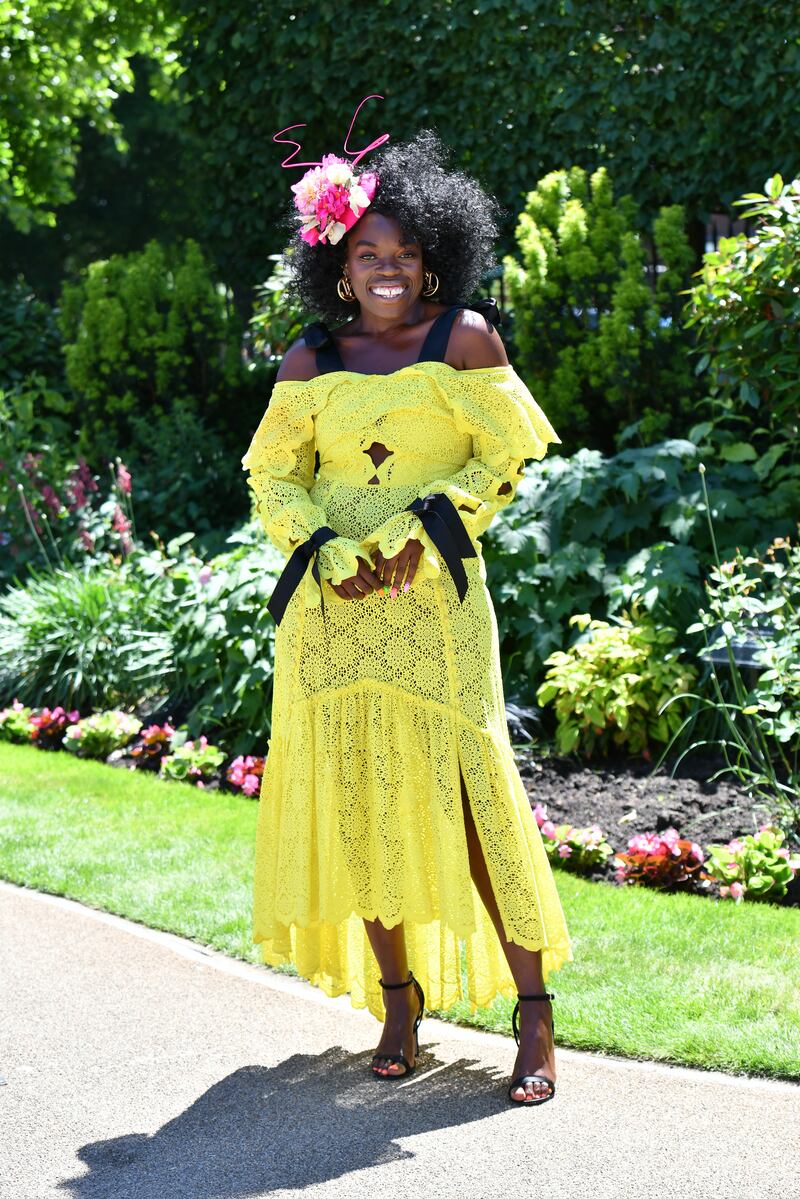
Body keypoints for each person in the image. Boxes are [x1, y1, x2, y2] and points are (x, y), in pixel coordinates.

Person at [242, 100, 573, 1106]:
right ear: (336, 266)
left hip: (433, 607)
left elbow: (505, 454)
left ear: (431, 260)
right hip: (333, 611)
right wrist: (328, 549)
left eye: (403, 249)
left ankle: (532, 1015)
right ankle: (397, 1000)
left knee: (475, 799)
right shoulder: (312, 359)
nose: (384, 265)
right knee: (358, 804)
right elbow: (271, 476)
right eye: (364, 251)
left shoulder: (463, 338)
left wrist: (424, 534)